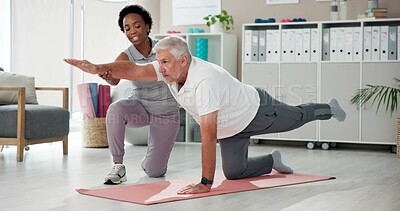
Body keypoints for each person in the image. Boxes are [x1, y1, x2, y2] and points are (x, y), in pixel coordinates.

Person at [64, 36, 346, 194]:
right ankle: (272, 160)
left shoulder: (204, 81)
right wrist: (98, 67)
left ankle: (328, 108)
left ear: (183, 60)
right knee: (235, 173)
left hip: (256, 110)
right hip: (230, 128)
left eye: (164, 62)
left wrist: (205, 183)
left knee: (296, 118)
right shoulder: (169, 70)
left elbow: (208, 136)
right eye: (158, 62)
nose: (159, 68)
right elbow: (134, 71)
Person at [99, 5, 180, 185]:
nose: (132, 31)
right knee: (115, 109)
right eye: (127, 28)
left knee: (155, 172)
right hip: (140, 108)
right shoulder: (125, 56)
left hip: (166, 113)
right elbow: (114, 81)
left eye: (137, 25)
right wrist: (107, 76)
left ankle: (151, 161)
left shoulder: (163, 48)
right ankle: (118, 166)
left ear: (147, 26)